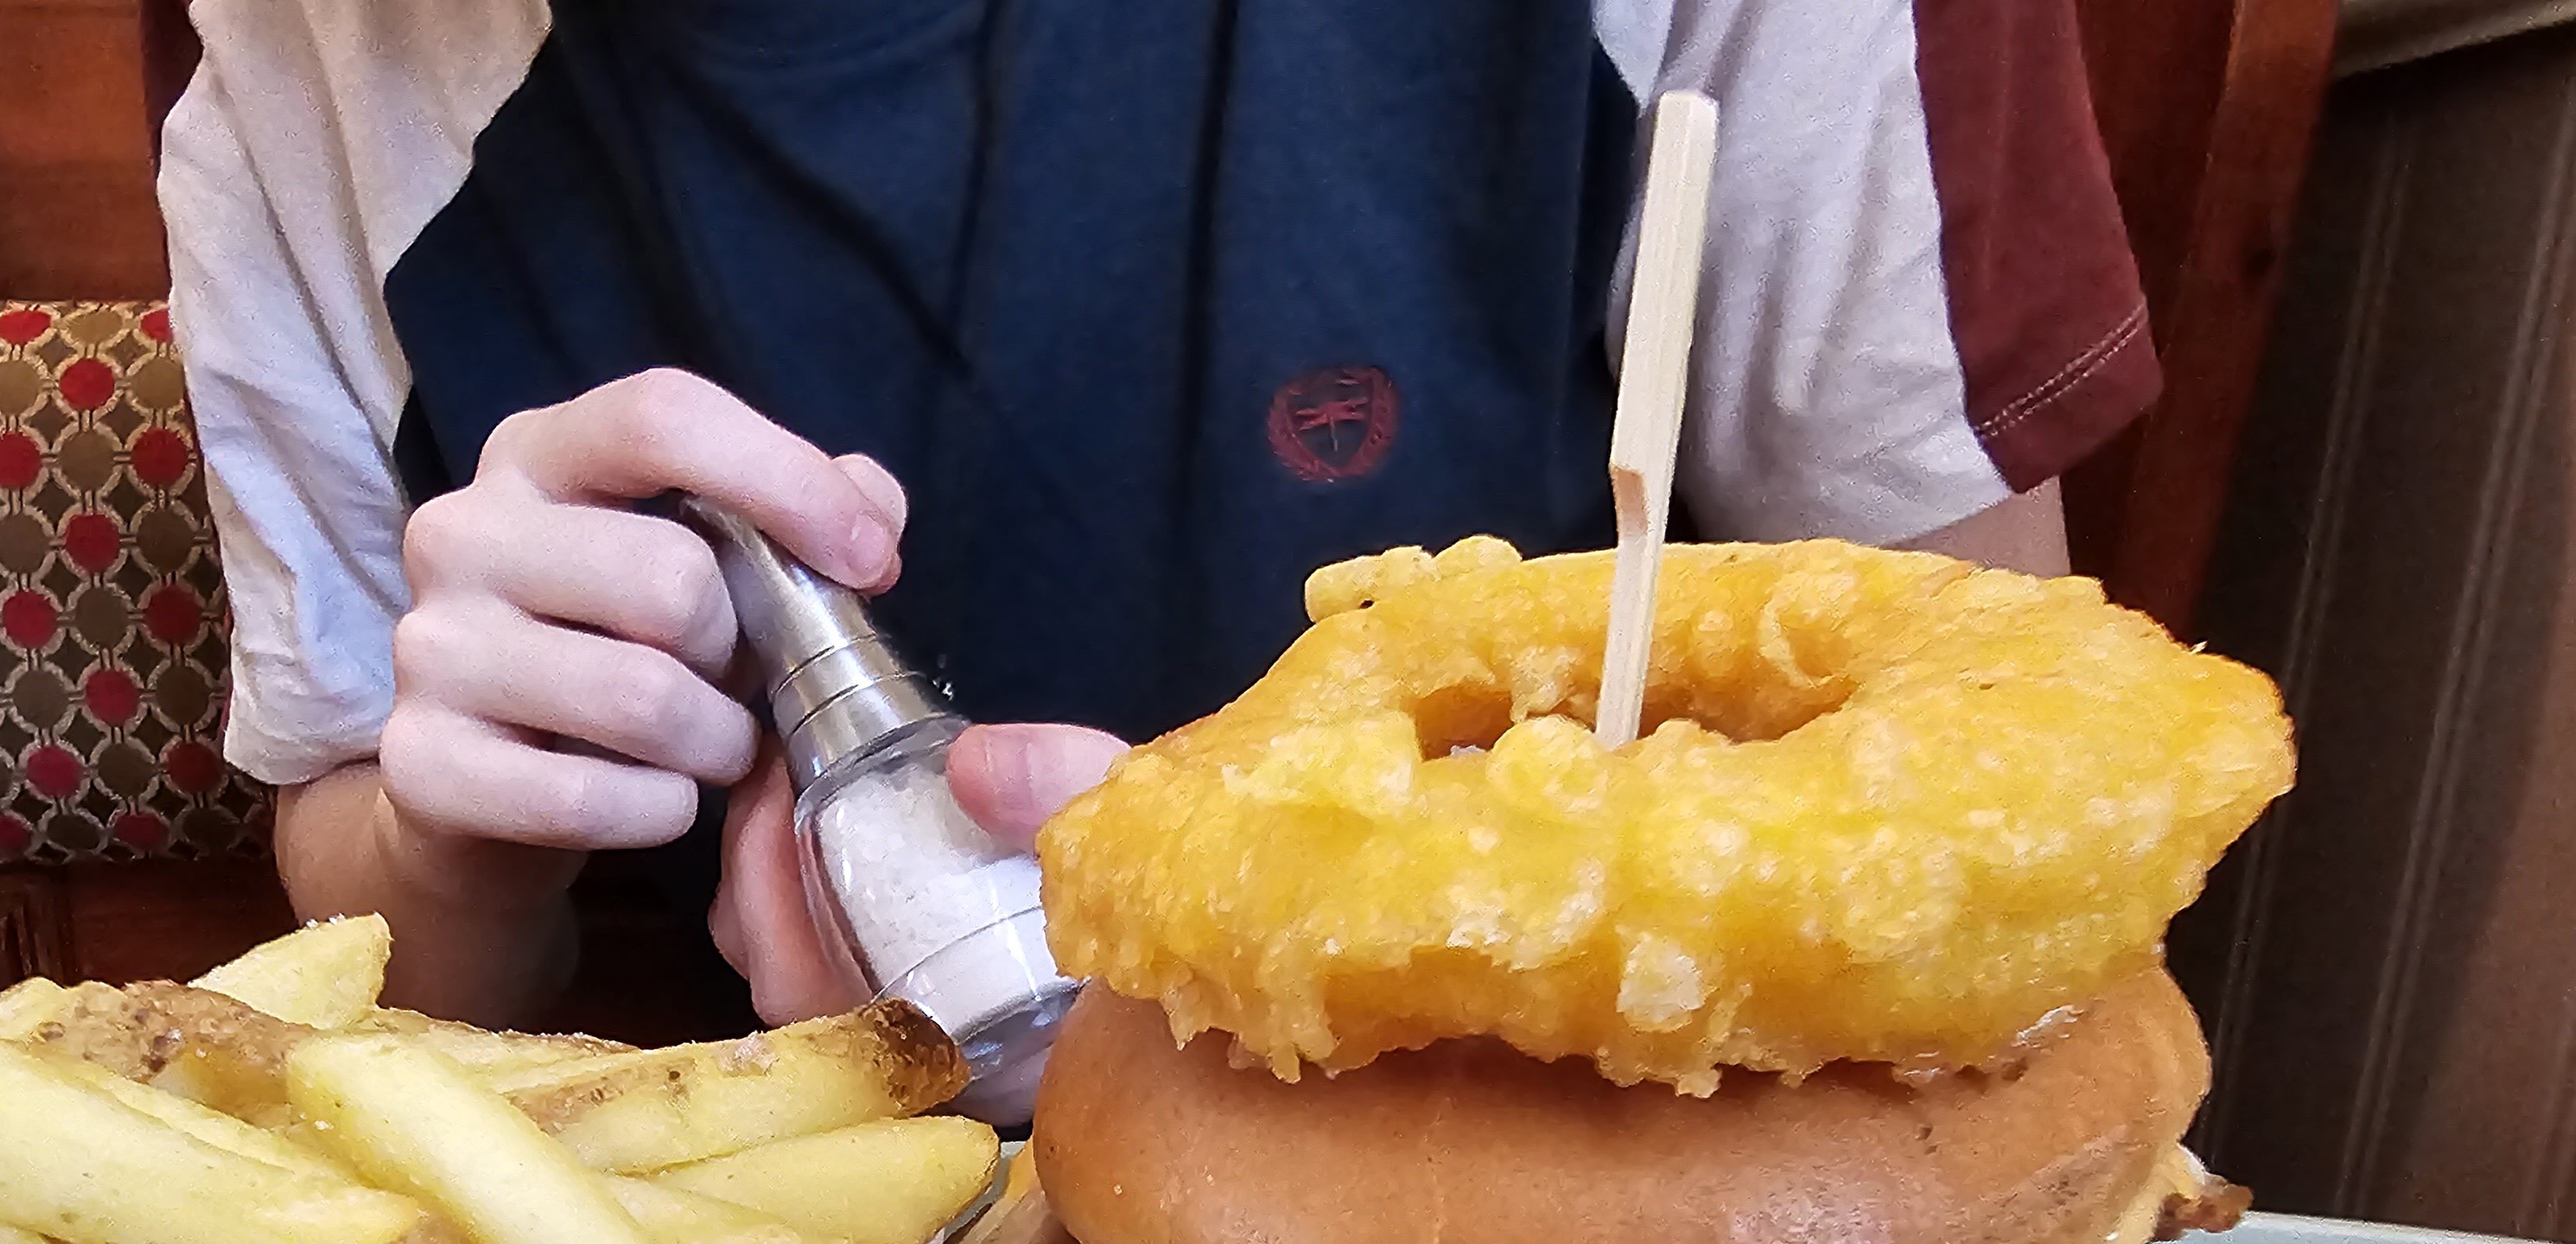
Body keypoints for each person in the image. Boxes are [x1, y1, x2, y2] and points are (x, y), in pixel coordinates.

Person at [156, 0, 2154, 1027]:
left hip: (1579, 1239)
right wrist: (460, 840)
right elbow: (355, 874)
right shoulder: (290, 79)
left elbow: (2007, 830)